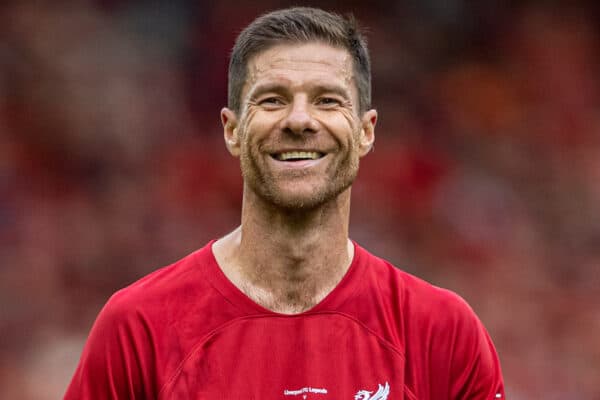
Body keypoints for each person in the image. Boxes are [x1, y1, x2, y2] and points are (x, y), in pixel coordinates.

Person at [64, 7, 505, 399]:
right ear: (231, 129)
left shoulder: (442, 334)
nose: (299, 120)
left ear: (366, 131)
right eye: (272, 99)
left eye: (327, 100)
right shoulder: (140, 327)